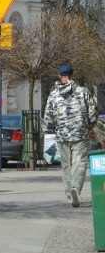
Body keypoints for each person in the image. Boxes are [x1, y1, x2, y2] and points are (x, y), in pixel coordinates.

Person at [44, 64, 97, 207]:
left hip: (62, 136)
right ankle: (76, 189)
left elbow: (48, 117)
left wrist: (53, 129)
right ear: (73, 76)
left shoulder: (53, 95)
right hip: (80, 134)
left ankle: (69, 195)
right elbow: (93, 113)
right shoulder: (83, 92)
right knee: (80, 163)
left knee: (66, 165)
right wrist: (89, 126)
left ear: (59, 76)